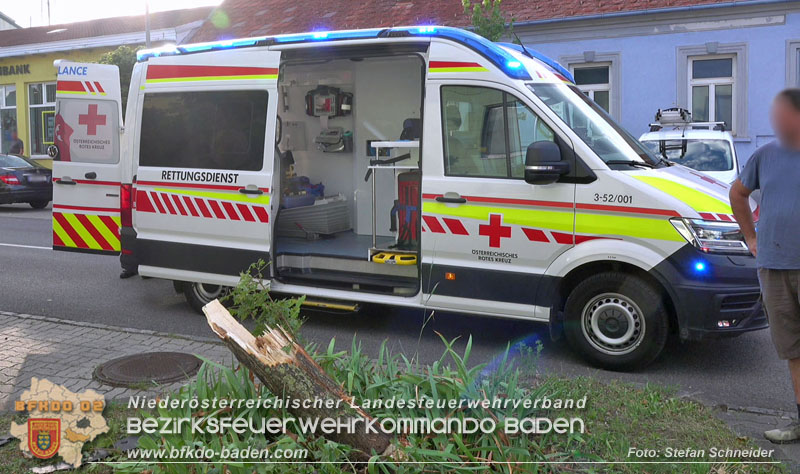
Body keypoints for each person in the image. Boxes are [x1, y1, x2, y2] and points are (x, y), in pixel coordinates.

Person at [730, 88, 800, 443]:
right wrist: (751, 238)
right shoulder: (766, 156)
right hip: (773, 266)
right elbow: (738, 193)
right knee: (793, 349)